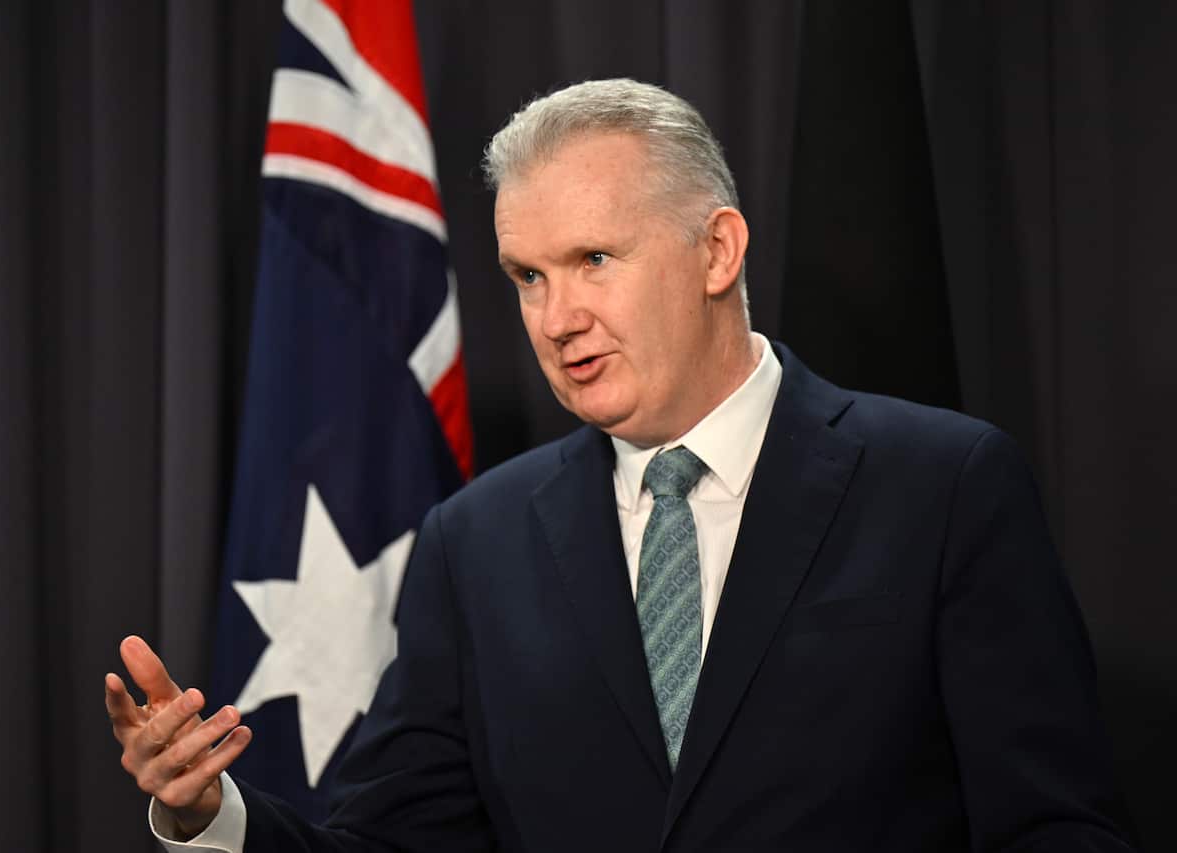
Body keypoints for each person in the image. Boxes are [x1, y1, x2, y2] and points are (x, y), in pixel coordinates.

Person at [106, 79, 1138, 851]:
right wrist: (208, 814)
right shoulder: (476, 542)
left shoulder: (943, 486)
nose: (556, 321)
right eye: (527, 276)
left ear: (715, 251)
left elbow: (1053, 826)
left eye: (594, 259)